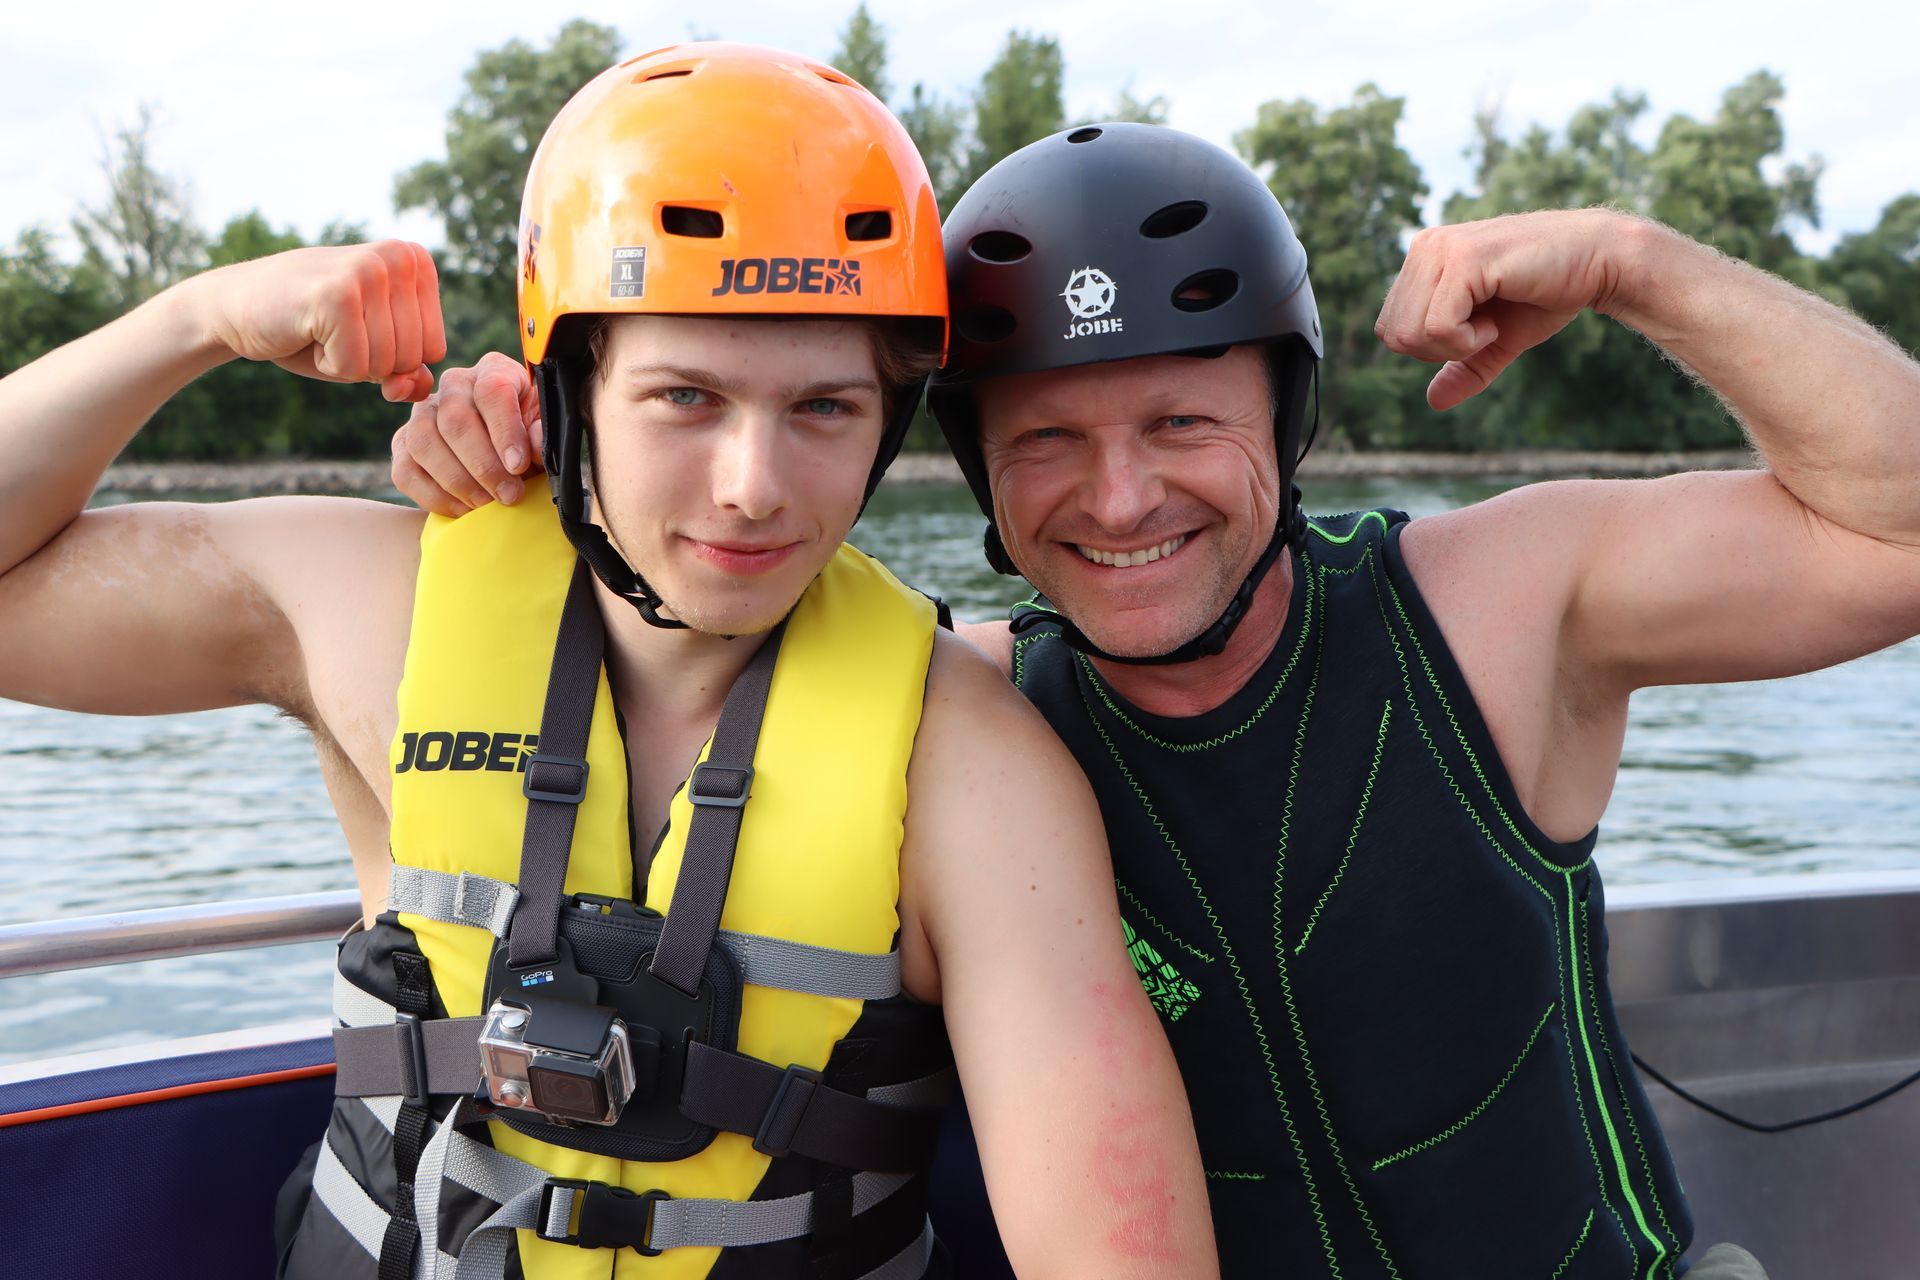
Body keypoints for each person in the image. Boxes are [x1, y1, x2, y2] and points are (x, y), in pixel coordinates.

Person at [396, 121, 1920, 1279]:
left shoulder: (1498, 610)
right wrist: (523, 460)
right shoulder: (952, 720)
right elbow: (679, 600)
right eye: (1049, 440)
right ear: (979, 475)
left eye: (1184, 417)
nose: (1122, 499)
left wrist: (1628, 264)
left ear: (1289, 411)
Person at [0, 51, 1223, 1280]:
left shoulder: (973, 771)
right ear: (569, 391)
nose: (753, 485)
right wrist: (196, 320)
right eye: (685, 396)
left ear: (888, 418)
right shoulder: (375, 605)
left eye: (825, 409)